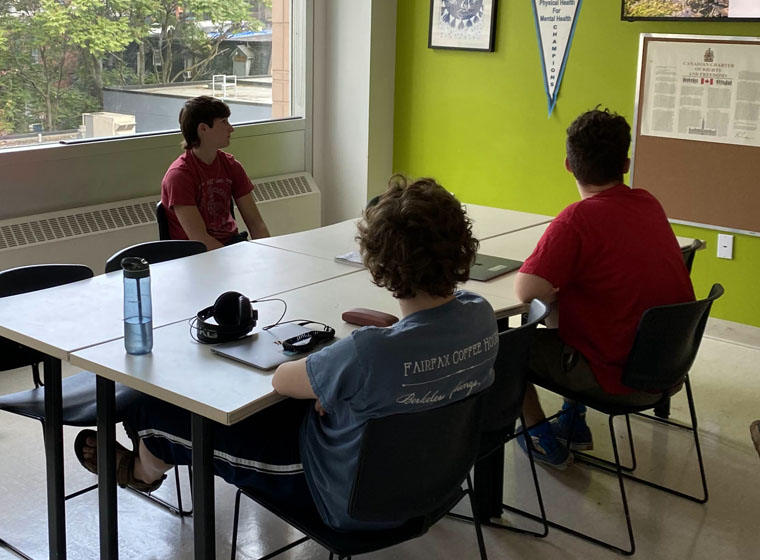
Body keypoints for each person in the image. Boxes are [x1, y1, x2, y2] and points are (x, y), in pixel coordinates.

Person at [77, 176, 498, 531]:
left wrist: (327, 379)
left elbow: (282, 380)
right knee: (305, 406)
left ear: (379, 265)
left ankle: (140, 471)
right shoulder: (481, 316)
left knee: (159, 412)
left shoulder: (368, 354)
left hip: (342, 495)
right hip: (437, 481)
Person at [516, 108, 695, 469]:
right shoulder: (648, 203)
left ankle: (538, 434)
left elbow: (526, 292)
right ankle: (573, 421)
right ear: (625, 164)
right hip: (667, 368)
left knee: (504, 350)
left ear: (568, 164)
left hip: (617, 378)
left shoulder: (577, 219)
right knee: (567, 308)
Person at [159, 95, 270, 249]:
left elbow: (257, 224)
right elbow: (200, 239)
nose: (231, 128)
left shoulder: (232, 166)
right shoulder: (179, 176)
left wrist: (266, 256)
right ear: (203, 128)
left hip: (230, 247)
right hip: (194, 257)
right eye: (224, 122)